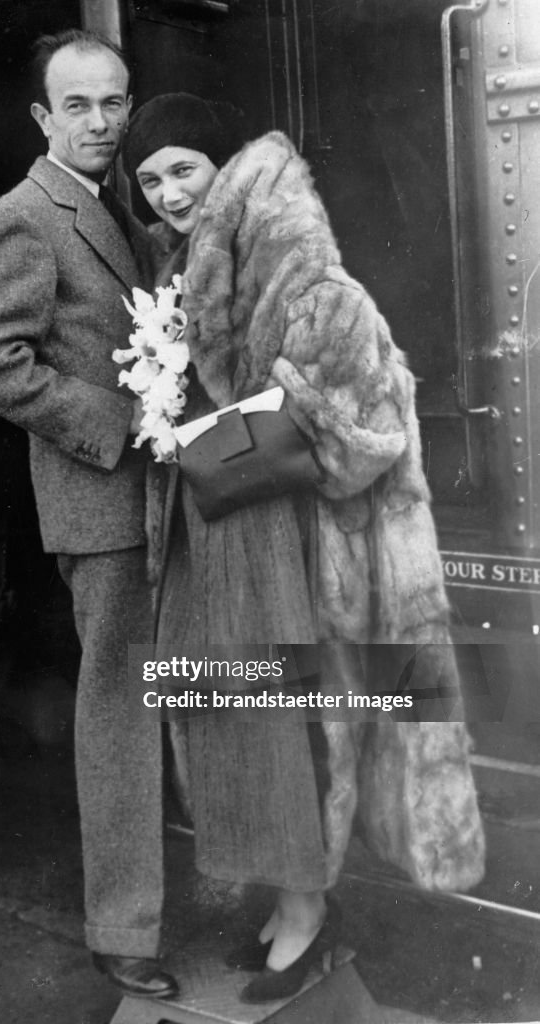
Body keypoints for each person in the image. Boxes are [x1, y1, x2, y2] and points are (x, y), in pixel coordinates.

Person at [122, 93, 486, 1004]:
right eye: (150, 178)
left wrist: (243, 423)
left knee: (308, 737)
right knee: (258, 729)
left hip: (316, 546)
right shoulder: (199, 272)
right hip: (249, 547)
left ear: (224, 166)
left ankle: (311, 920)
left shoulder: (304, 274)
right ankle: (292, 908)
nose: (168, 192)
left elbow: (367, 437)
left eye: (183, 168)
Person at [0, 32, 178, 1000]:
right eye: (79, 107)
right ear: (46, 119)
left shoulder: (117, 209)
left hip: (161, 500)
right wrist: (123, 422)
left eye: (114, 104)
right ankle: (123, 930)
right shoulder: (25, 216)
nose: (101, 123)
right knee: (122, 714)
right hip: (102, 504)